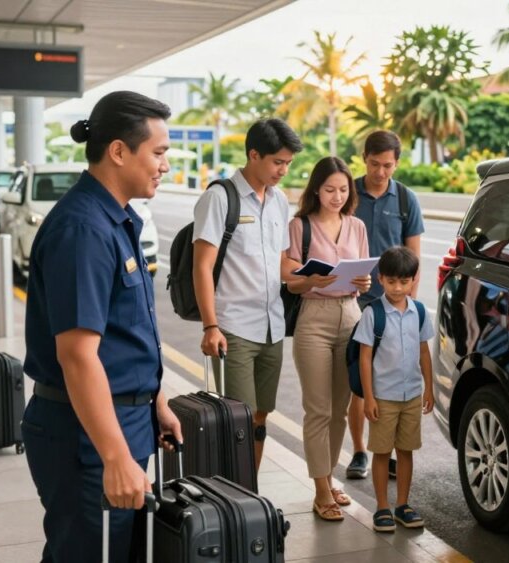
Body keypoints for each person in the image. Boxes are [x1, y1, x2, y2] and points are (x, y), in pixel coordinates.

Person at [20, 91, 183, 563]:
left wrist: (155, 399)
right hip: (85, 435)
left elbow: (120, 333)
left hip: (120, 421)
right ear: (118, 151)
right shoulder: (84, 230)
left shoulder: (116, 220)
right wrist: (114, 456)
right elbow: (78, 355)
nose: (164, 165)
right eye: (158, 152)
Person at [193, 118, 303, 476]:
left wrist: (316, 277)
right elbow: (202, 267)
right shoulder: (219, 197)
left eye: (288, 163)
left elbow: (283, 265)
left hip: (272, 325)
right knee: (237, 417)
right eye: (277, 162)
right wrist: (211, 326)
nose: (283, 170)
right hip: (234, 328)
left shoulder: (280, 201)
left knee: (259, 416)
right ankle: (233, 490)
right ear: (253, 154)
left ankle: (249, 489)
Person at [281, 156, 372, 522]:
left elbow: (363, 271)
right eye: (330, 189)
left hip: (351, 315)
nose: (337, 196)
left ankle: (330, 478)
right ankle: (321, 490)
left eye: (344, 189)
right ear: (316, 189)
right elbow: (288, 278)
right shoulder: (299, 227)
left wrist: (364, 282)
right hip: (314, 319)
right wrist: (309, 281)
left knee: (340, 410)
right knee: (318, 409)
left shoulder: (357, 226)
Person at [346, 130, 425, 481]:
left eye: (388, 166)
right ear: (364, 158)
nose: (381, 172)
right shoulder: (347, 193)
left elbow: (414, 259)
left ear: (397, 162)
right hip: (353, 299)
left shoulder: (406, 199)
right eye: (375, 164)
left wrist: (406, 304)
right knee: (359, 381)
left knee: (390, 378)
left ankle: (386, 450)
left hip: (392, 301)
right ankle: (361, 451)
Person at [354, 246, 435, 533]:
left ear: (413, 280)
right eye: (391, 282)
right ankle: (382, 507)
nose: (398, 288)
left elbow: (424, 352)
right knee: (380, 452)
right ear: (380, 279)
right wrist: (368, 397)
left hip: (411, 394)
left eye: (404, 282)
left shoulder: (420, 311)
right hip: (383, 397)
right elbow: (365, 357)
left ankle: (402, 504)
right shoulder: (372, 313)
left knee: (406, 451)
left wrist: (429, 388)